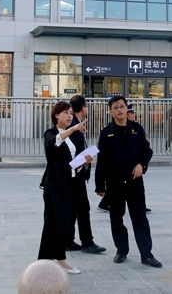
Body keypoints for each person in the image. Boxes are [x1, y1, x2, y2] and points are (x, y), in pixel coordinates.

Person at [95, 96, 162, 268]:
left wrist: (142, 165)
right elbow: (101, 160)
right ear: (111, 111)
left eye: (122, 106)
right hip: (114, 184)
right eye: (115, 107)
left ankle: (146, 255)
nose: (119, 110)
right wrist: (99, 185)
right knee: (116, 219)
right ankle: (121, 250)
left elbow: (147, 151)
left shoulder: (137, 129)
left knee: (140, 219)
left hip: (134, 182)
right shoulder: (106, 133)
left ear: (126, 109)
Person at [38, 101, 92, 274]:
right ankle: (48, 262)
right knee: (52, 224)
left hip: (68, 185)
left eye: (70, 113)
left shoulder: (70, 138)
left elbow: (70, 165)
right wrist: (73, 129)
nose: (69, 116)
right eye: (65, 113)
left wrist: (83, 162)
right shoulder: (51, 133)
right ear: (56, 115)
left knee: (61, 224)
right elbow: (53, 144)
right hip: (54, 187)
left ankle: (55, 260)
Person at [65, 95, 106, 254]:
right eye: (86, 106)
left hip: (73, 173)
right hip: (75, 174)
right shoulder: (74, 126)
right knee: (82, 208)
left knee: (73, 208)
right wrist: (85, 158)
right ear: (83, 108)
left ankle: (68, 240)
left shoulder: (74, 124)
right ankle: (87, 242)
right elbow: (73, 154)